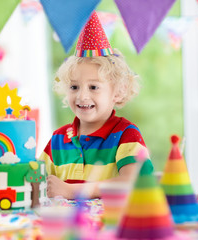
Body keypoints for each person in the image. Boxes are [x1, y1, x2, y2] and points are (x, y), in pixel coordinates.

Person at [39, 12, 153, 200]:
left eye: (94, 87)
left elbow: (136, 183)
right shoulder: (58, 139)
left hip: (110, 227)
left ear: (118, 92)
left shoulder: (126, 134)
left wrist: (74, 191)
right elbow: (37, 180)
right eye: (74, 87)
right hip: (66, 228)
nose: (82, 96)